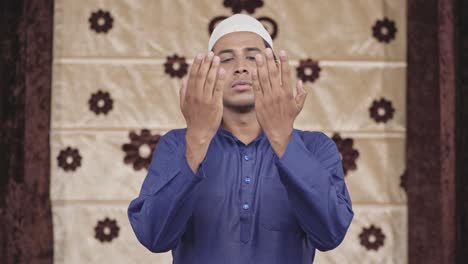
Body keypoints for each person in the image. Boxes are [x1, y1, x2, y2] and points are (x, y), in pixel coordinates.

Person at [128, 14, 353, 264]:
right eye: (226, 59)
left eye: (253, 57)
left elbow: (331, 233)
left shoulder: (315, 147)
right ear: (208, 73)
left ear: (274, 68)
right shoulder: (177, 144)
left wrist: (282, 139)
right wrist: (198, 140)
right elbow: (153, 236)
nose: (241, 66)